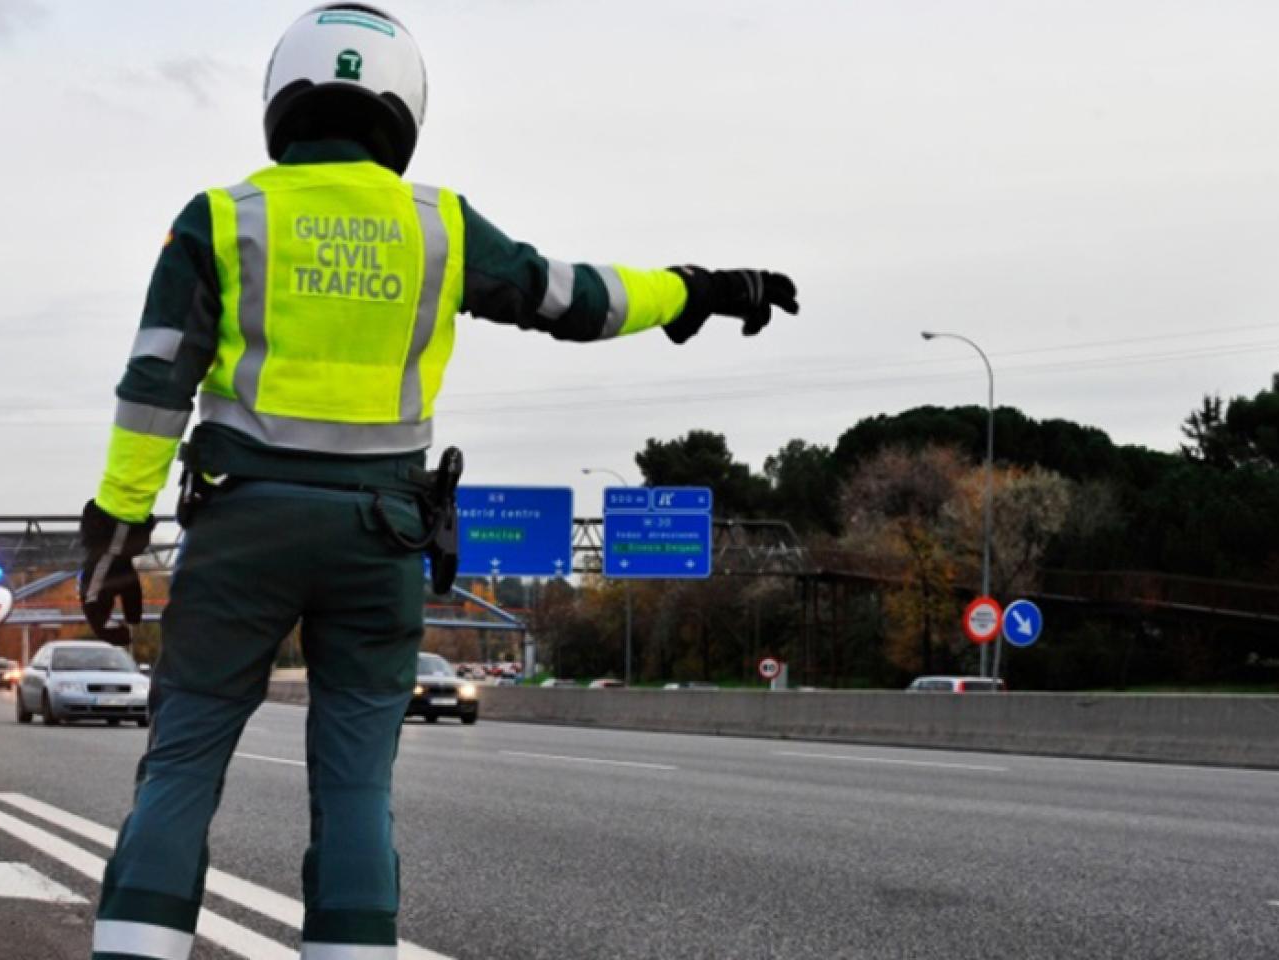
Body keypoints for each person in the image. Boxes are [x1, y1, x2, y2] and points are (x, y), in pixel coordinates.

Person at [77, 4, 799, 958]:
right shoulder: (440, 227)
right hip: (380, 538)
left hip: (242, 529)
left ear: (282, 101)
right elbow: (573, 296)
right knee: (355, 786)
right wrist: (697, 289)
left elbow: (156, 383)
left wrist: (115, 534)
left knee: (182, 760)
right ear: (403, 107)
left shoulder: (221, 218)